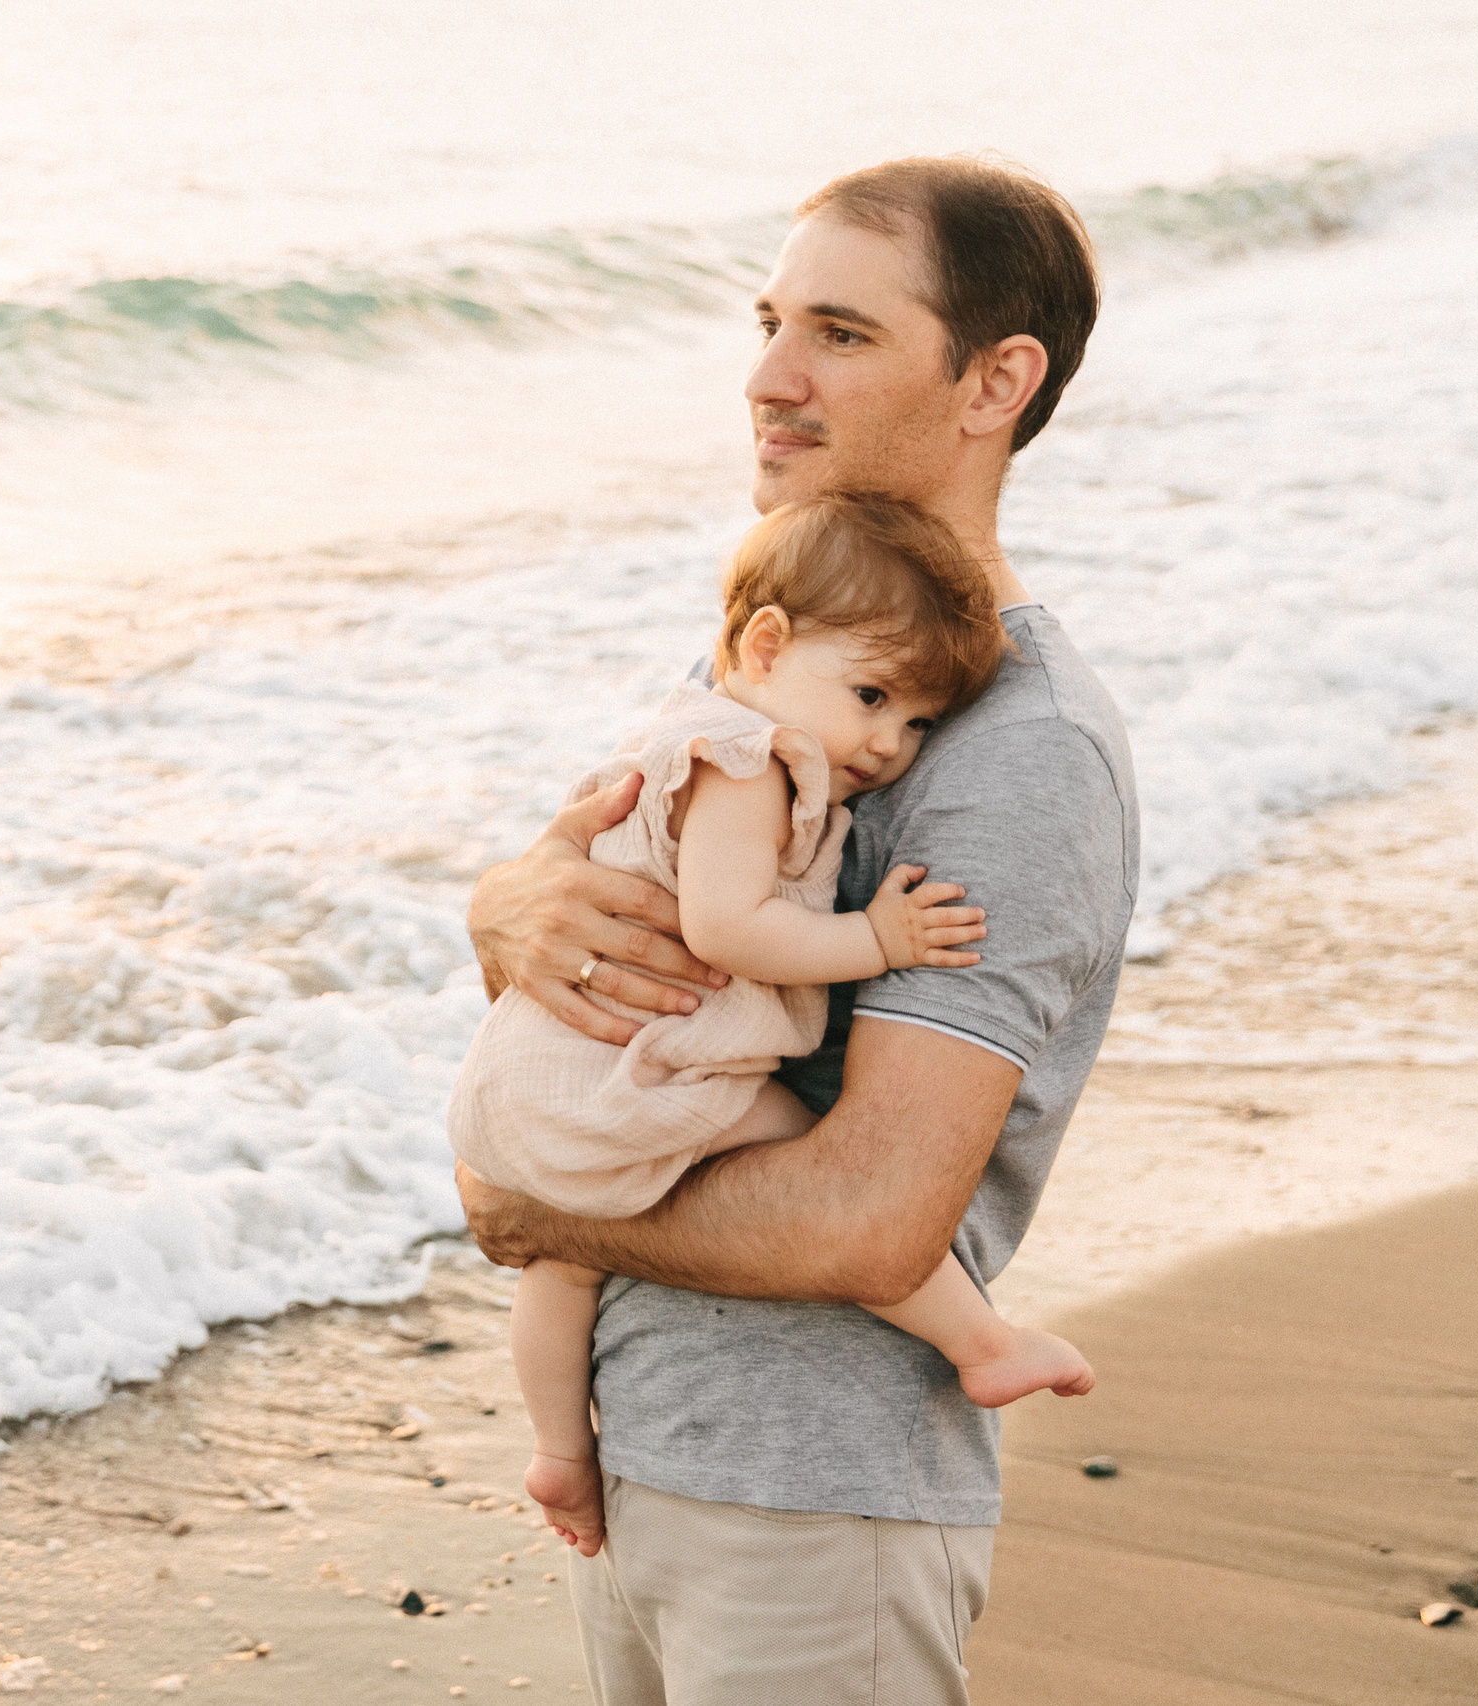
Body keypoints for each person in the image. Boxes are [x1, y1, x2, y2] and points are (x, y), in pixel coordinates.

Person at [457, 154, 1138, 1705]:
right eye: (770, 322)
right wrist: (503, 910)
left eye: (839, 332)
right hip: (650, 1460)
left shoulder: (1018, 752)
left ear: (995, 380)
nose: (766, 378)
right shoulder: (800, 654)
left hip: (816, 1493)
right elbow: (629, 954)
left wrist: (539, 1210)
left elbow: (871, 1219)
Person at [448, 493, 1094, 1561]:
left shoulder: (699, 729)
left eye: (919, 721)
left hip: (549, 1077)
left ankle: (560, 1447)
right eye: (873, 695)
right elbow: (728, 926)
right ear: (762, 644)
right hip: (634, 1069)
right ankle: (980, 1340)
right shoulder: (743, 758)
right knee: (804, 1147)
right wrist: (877, 939)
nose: (890, 742)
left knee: (561, 1264)